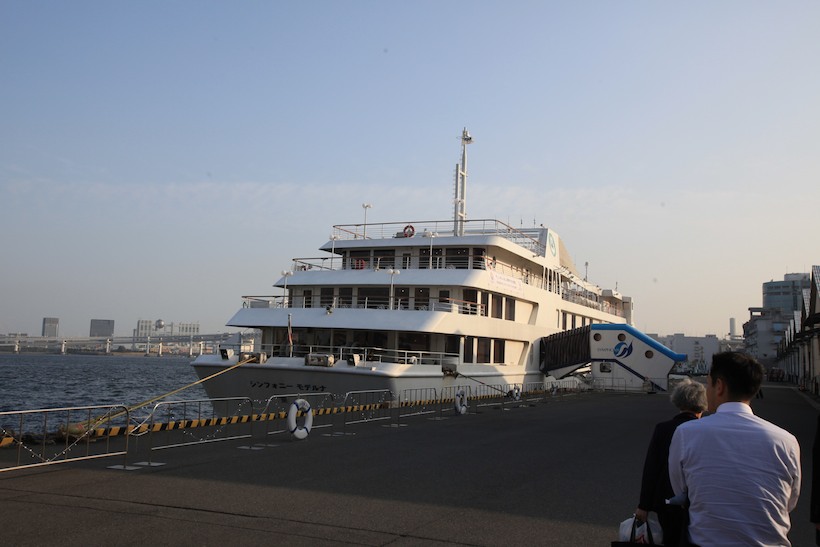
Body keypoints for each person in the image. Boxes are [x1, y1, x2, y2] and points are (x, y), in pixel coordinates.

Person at [668, 352, 801, 546]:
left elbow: (681, 490)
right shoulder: (786, 440)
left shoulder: (686, 433)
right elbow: (789, 500)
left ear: (719, 386)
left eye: (708, 384)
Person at [635, 378, 707, 547]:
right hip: (700, 499)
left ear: (678, 402)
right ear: (702, 405)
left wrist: (643, 505)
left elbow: (652, 468)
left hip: (667, 499)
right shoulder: (706, 430)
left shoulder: (663, 429)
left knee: (671, 538)